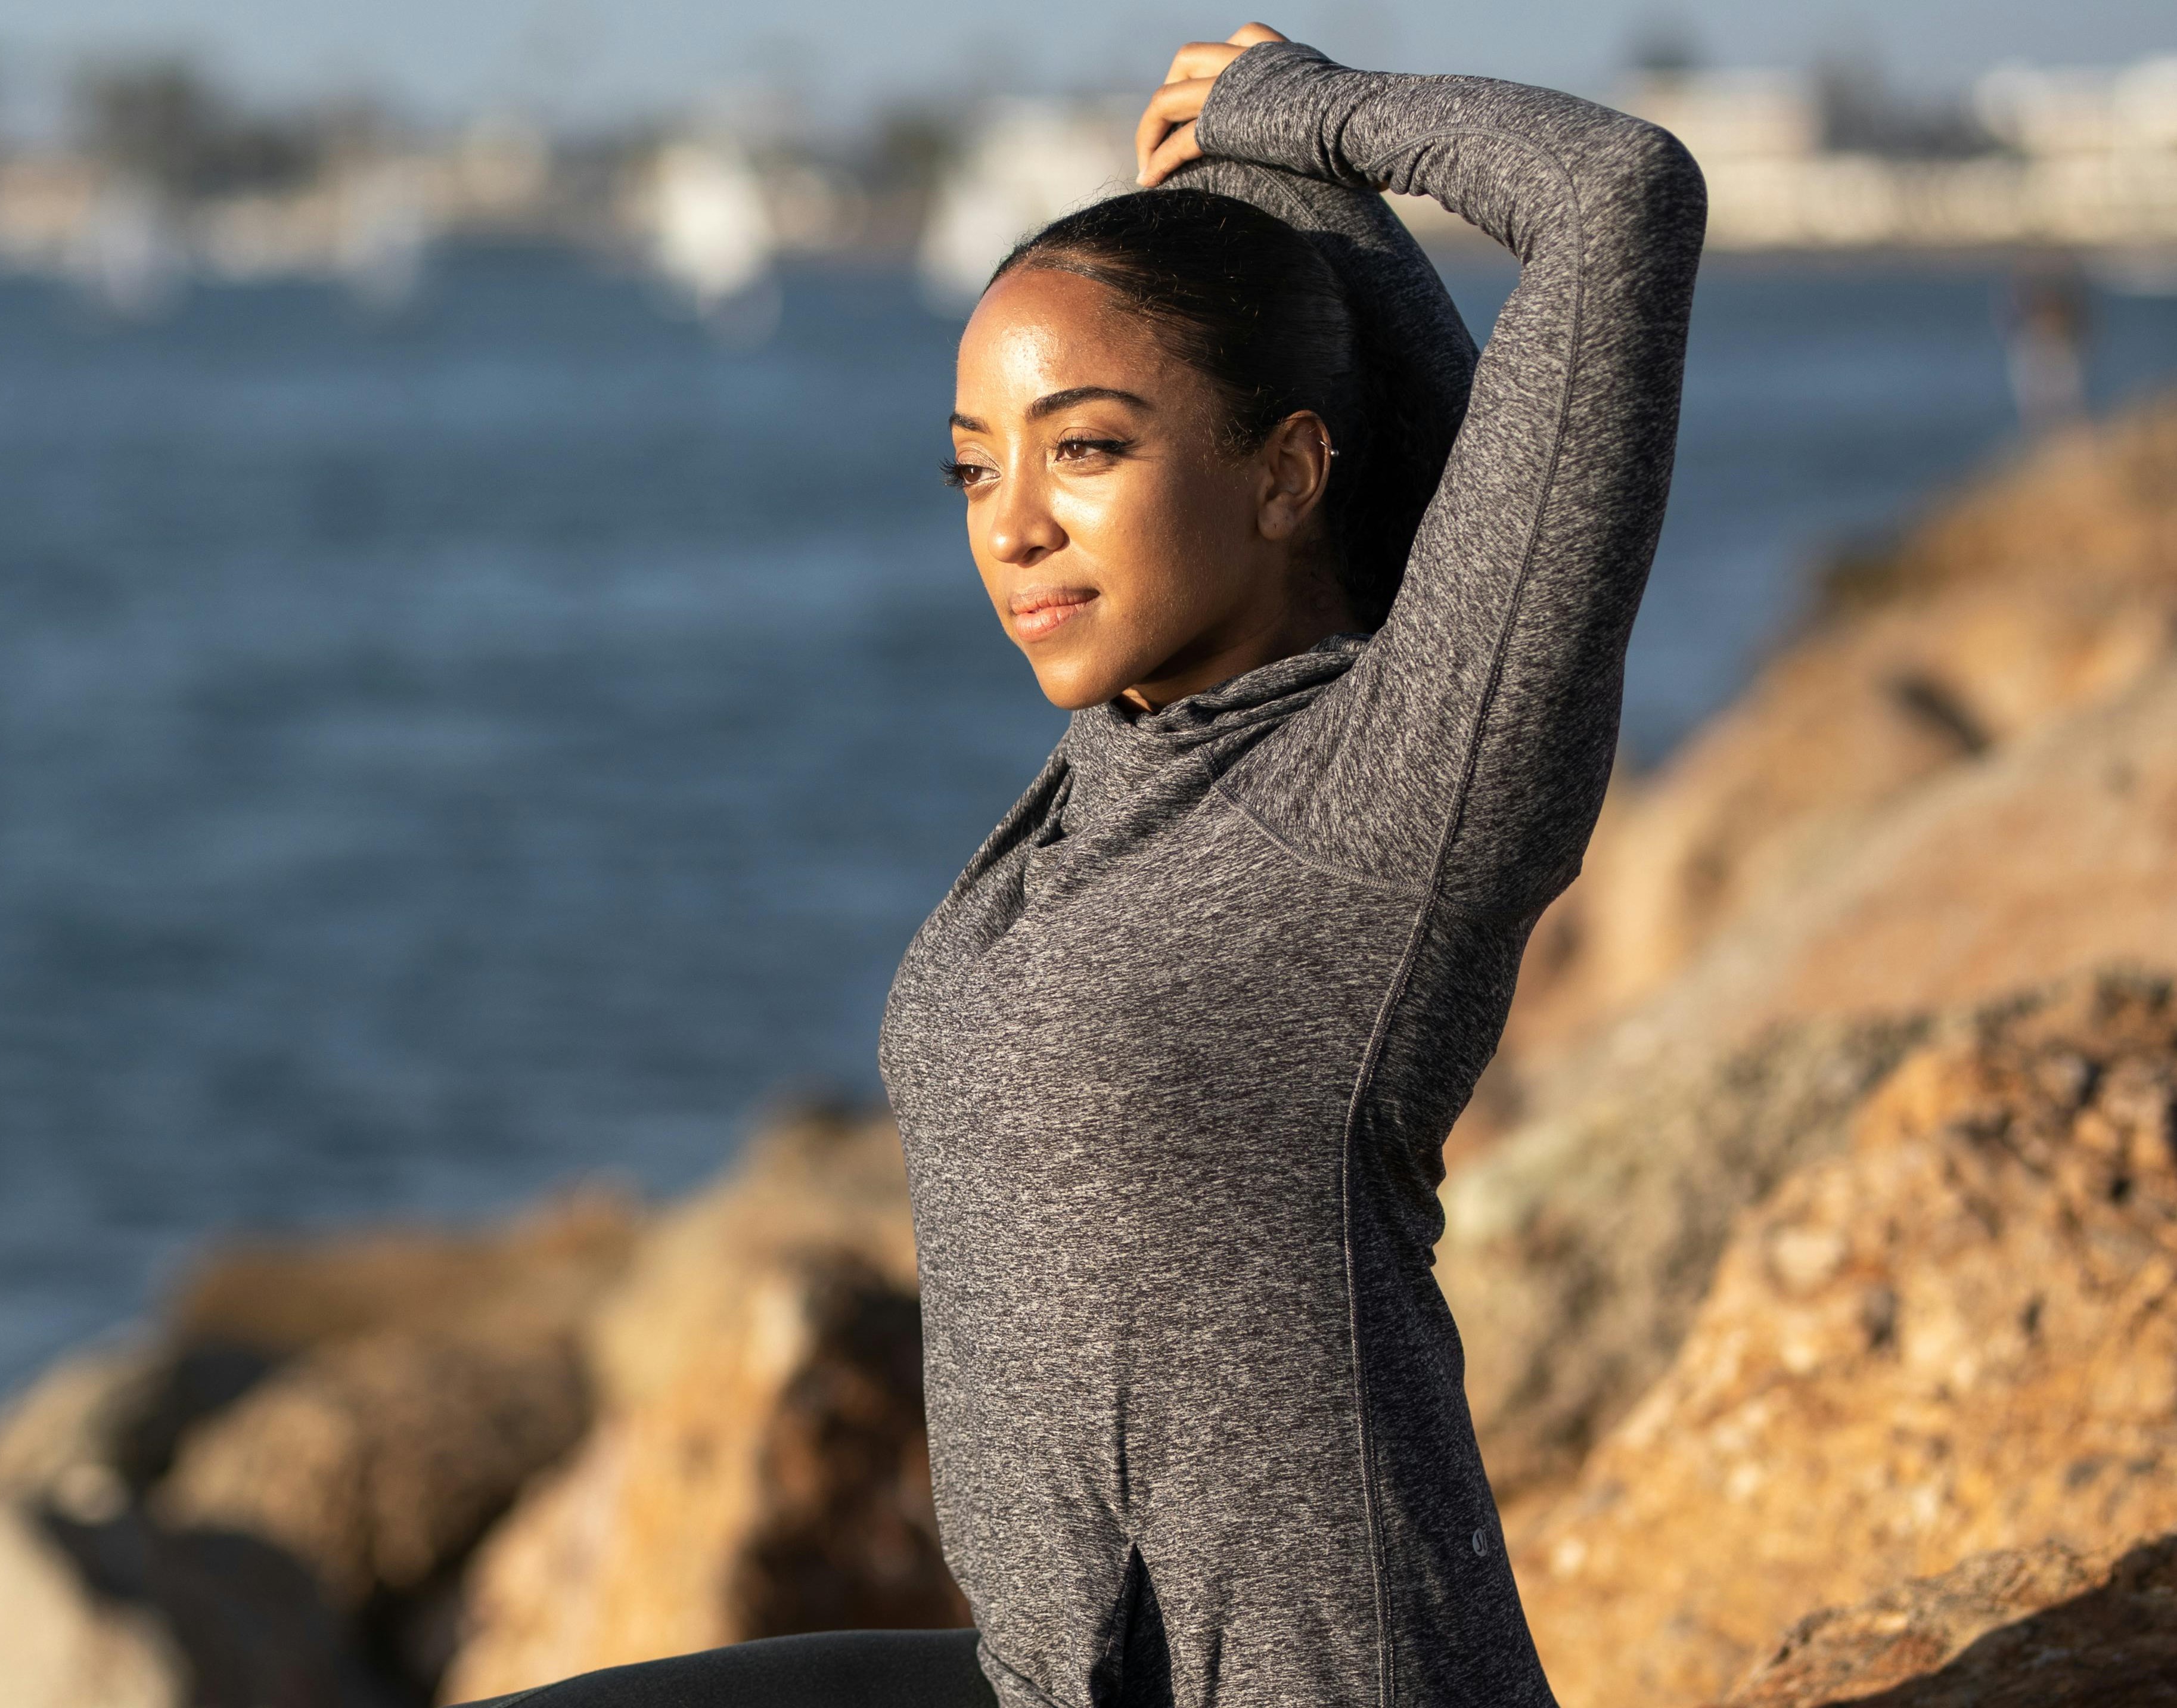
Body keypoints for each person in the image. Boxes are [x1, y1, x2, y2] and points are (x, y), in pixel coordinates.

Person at [446, 22, 1703, 1708]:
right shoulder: (1118, 759)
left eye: (1086, 448)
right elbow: (1347, 375)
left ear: (1287, 473)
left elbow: (1622, 197)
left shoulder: (1398, 790)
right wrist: (1253, 161)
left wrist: (1314, 115)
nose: (1011, 524)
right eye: (975, 465)